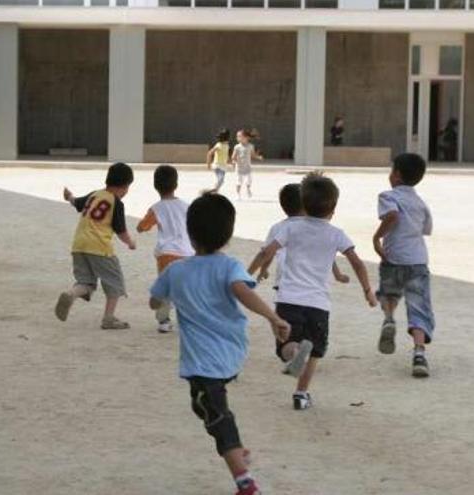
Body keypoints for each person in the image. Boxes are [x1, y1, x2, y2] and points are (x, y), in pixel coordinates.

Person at [150, 193, 291, 495]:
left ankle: (244, 480)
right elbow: (243, 292)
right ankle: (235, 446)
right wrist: (271, 317)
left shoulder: (175, 271)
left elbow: (154, 300)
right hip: (230, 354)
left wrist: (160, 297)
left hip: (203, 362)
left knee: (215, 415)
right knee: (204, 407)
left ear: (190, 233)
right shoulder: (229, 266)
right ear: (227, 236)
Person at [248, 173, 377, 411]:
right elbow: (357, 263)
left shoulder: (291, 228)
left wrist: (250, 274)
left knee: (287, 342)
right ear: (334, 207)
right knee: (315, 351)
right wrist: (368, 291)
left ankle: (294, 353)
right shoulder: (336, 234)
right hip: (318, 303)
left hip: (288, 298)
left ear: (303, 204)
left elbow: (267, 252)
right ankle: (301, 393)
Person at [373, 153, 435, 378]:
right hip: (417, 260)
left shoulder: (388, 196)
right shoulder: (421, 203)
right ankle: (419, 354)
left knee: (388, 294)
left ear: (396, 175)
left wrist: (376, 237)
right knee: (419, 307)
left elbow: (392, 216)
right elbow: (426, 230)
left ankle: (389, 319)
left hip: (393, 257)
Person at [54, 162, 137, 330]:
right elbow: (121, 231)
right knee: (115, 282)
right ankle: (108, 318)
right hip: (100, 248)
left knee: (86, 282)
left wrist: (69, 196)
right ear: (125, 186)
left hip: (78, 245)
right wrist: (131, 243)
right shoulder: (116, 203)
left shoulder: (94, 195)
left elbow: (76, 202)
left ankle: (71, 294)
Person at [258, 183, 351, 293]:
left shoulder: (276, 228)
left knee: (285, 306)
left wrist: (263, 270)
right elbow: (326, 252)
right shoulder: (314, 228)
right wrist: (338, 275)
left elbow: (268, 253)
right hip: (309, 279)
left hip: (284, 278)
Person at [136, 164, 195, 333]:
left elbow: (142, 227)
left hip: (166, 255)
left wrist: (141, 227)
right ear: (176, 185)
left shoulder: (156, 208)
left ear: (155, 186)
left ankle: (163, 321)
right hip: (187, 254)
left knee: (166, 287)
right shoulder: (186, 206)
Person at [232, 129, 263, 200]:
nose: (238, 138)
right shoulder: (237, 147)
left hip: (248, 167)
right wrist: (234, 161)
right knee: (239, 182)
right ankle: (238, 194)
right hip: (239, 168)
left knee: (249, 180)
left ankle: (248, 189)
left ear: (247, 138)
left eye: (240, 136)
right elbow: (233, 156)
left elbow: (253, 155)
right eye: (237, 136)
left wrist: (258, 157)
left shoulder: (251, 146)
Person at [206, 129, 231, 193]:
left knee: (221, 180)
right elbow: (209, 153)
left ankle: (215, 191)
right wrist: (208, 164)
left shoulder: (227, 145)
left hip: (223, 166)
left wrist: (230, 161)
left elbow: (226, 155)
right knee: (221, 179)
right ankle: (214, 190)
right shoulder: (218, 145)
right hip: (217, 165)